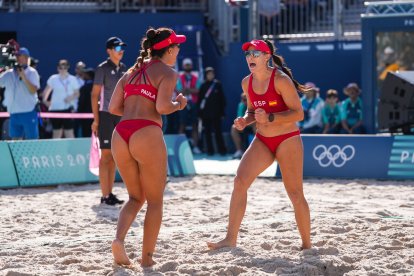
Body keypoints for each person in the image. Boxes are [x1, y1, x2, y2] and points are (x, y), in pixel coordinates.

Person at [207, 39, 311, 250]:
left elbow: (298, 113)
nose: (250, 57)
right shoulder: (247, 81)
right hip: (263, 139)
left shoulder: (281, 80)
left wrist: (270, 117)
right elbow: (253, 111)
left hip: (287, 139)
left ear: (267, 57)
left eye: (255, 53)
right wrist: (245, 120)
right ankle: (230, 238)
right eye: (247, 54)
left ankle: (307, 244)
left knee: (295, 194)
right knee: (240, 181)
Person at [108, 27, 187, 267]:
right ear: (170, 50)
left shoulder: (131, 71)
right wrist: (179, 104)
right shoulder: (168, 72)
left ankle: (119, 240)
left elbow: (112, 108)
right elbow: (163, 107)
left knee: (134, 197)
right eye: (177, 47)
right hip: (146, 132)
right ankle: (147, 259)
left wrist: (135, 112)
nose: (179, 50)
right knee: (155, 201)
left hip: (121, 133)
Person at [91, 37, 127, 205]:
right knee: (106, 156)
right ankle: (105, 195)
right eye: (117, 47)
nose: (121, 50)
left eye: (122, 47)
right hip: (105, 115)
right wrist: (96, 120)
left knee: (113, 157)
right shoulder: (102, 68)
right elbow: (94, 95)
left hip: (119, 116)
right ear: (109, 50)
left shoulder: (124, 68)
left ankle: (109, 193)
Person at [0, 47, 40, 140]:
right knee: (15, 141)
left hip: (28, 112)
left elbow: (33, 90)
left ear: (26, 58)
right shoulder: (9, 73)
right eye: (16, 56)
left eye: (19, 56)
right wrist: (2, 67)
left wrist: (23, 76)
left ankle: (32, 155)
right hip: (14, 113)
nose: (16, 58)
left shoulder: (32, 72)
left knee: (32, 140)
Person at [42, 59, 80, 138]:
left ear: (68, 67)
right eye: (60, 67)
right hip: (55, 109)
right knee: (56, 132)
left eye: (64, 67)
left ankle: (73, 151)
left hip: (68, 108)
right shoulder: (53, 78)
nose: (62, 69)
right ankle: (57, 150)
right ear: (57, 68)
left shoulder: (72, 79)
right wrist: (45, 101)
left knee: (69, 132)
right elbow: (46, 92)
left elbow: (77, 93)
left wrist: (70, 97)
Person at [197, 67, 227, 155]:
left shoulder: (218, 85)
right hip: (206, 115)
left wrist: (222, 112)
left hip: (217, 114)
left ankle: (222, 150)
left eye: (212, 74)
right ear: (206, 75)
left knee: (218, 132)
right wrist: (200, 114)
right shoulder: (203, 85)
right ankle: (210, 151)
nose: (210, 75)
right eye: (209, 74)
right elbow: (200, 100)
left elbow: (222, 100)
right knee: (207, 133)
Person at [177, 58, 202, 154]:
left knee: (194, 124)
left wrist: (187, 89)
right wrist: (190, 89)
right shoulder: (179, 77)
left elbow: (197, 90)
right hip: (182, 103)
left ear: (191, 66)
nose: (188, 66)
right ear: (183, 66)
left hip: (193, 103)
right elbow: (179, 90)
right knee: (182, 124)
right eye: (186, 65)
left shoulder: (196, 77)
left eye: (189, 65)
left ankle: (195, 146)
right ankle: (180, 147)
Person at [231, 93, 255, 159]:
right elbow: (240, 118)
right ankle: (239, 151)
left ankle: (256, 151)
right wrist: (239, 124)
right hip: (245, 126)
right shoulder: (241, 105)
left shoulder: (254, 105)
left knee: (256, 126)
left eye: (245, 99)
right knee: (233, 128)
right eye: (242, 99)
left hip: (254, 125)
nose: (243, 101)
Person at [77, 68, 94, 137]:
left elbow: (81, 102)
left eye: (85, 74)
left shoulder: (84, 87)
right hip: (96, 114)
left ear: (89, 76)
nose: (83, 76)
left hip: (85, 114)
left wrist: (79, 112)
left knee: (86, 133)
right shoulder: (99, 87)